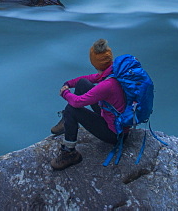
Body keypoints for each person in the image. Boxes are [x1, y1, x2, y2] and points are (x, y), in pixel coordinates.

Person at [49, 38, 126, 170]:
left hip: (115, 133)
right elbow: (89, 79)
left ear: (95, 63)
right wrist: (69, 83)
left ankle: (70, 153)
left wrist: (64, 93)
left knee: (71, 110)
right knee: (82, 84)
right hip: (116, 118)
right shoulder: (114, 71)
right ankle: (67, 122)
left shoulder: (108, 85)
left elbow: (78, 102)